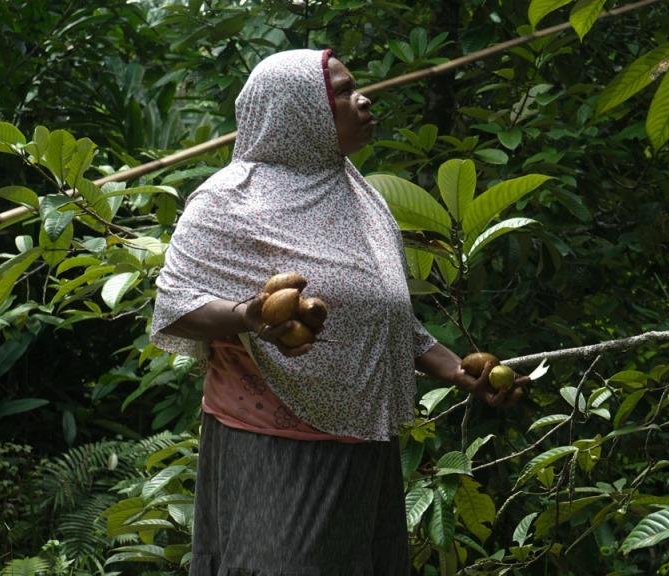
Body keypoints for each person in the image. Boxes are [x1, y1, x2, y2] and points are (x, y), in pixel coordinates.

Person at [150, 49, 526, 575]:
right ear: (298, 111)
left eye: (357, 88)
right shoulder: (227, 202)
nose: (364, 100)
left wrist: (455, 369)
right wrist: (248, 314)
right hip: (273, 446)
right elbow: (176, 306)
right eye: (344, 92)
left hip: (363, 443)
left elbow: (383, 314)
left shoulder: (359, 195)